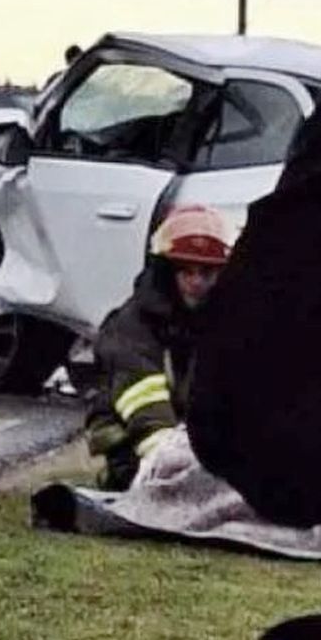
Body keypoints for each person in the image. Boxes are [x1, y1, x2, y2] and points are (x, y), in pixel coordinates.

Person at [85, 205, 235, 491]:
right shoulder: (132, 325)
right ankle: (125, 475)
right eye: (186, 271)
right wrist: (171, 461)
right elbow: (144, 399)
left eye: (207, 272)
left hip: (195, 435)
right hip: (139, 436)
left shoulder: (228, 320)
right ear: (166, 272)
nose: (197, 282)